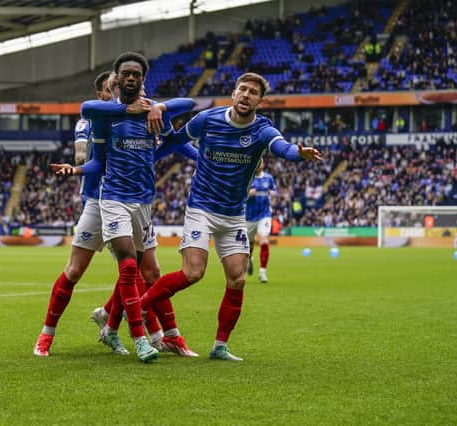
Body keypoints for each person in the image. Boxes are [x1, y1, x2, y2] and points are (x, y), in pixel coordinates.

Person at [139, 72, 322, 361]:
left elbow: (282, 147)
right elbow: (176, 142)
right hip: (201, 208)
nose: (246, 95)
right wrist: (150, 157)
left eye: (253, 92)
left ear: (260, 102)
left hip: (234, 215)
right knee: (192, 273)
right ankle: (140, 307)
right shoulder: (207, 119)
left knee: (237, 279)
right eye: (242, 89)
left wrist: (298, 154)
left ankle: (220, 346)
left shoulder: (263, 129)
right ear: (234, 93)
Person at [55, 52, 196, 363]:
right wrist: (77, 167)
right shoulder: (105, 116)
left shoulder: (152, 115)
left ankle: (112, 321)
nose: (132, 81)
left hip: (143, 200)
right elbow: (89, 132)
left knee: (150, 271)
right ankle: (146, 337)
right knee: (125, 268)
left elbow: (183, 116)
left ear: (144, 81)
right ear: (116, 83)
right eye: (123, 77)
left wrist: (159, 107)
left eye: (138, 77)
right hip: (106, 198)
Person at [33, 71, 115, 357]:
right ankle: (46, 334)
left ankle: (110, 319)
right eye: (110, 90)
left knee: (141, 272)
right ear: (100, 95)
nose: (115, 94)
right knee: (75, 270)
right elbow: (81, 154)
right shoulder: (87, 120)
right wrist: (82, 157)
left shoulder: (133, 118)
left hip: (128, 201)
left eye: (117, 89)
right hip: (96, 200)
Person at [245, 160, 278, 283]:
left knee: (264, 240)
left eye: (261, 162)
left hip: (265, 215)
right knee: (249, 243)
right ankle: (249, 259)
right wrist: (248, 194)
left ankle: (263, 272)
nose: (259, 163)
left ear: (263, 164)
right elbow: (240, 195)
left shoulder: (269, 178)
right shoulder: (247, 177)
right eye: (257, 161)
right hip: (249, 216)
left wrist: (273, 193)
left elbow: (275, 192)